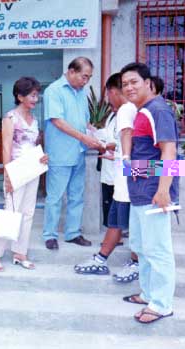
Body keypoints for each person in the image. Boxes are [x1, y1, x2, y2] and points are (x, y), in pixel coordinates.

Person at [120, 62, 178, 324]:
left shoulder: (158, 110)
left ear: (148, 83)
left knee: (158, 250)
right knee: (141, 247)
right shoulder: (143, 111)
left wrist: (164, 190)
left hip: (155, 194)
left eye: (134, 81)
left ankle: (162, 304)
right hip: (140, 192)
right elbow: (147, 154)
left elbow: (169, 152)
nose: (129, 87)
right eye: (124, 84)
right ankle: (148, 293)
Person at [74, 73, 139, 283]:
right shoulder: (125, 112)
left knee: (136, 227)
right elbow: (126, 150)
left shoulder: (131, 111)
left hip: (134, 184)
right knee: (116, 222)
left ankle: (136, 263)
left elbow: (164, 162)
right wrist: (118, 155)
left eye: (134, 83)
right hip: (123, 182)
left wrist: (168, 178)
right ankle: (101, 258)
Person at [0, 77, 48, 271]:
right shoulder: (10, 118)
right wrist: (8, 175)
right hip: (16, 168)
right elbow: (6, 147)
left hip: (33, 167)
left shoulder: (35, 119)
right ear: (20, 96)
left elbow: (32, 144)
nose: (35, 99)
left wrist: (42, 156)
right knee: (10, 211)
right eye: (32, 95)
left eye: (37, 95)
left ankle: (20, 252)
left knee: (28, 213)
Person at [43, 57, 103, 250]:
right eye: (84, 76)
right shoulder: (54, 91)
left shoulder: (81, 93)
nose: (86, 81)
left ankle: (73, 233)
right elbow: (57, 121)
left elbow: (83, 122)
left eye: (89, 78)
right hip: (60, 153)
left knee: (77, 195)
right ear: (71, 71)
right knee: (55, 196)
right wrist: (84, 138)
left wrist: (95, 134)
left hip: (79, 152)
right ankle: (50, 235)